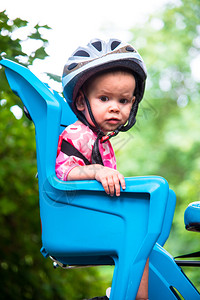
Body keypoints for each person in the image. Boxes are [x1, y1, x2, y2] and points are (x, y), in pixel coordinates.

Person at [56, 38, 148, 300]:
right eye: (104, 98)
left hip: (92, 217)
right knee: (140, 235)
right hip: (75, 218)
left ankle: (125, 292)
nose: (115, 107)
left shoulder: (101, 141)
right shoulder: (79, 134)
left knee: (146, 240)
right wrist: (96, 171)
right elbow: (64, 172)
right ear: (83, 103)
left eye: (123, 100)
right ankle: (129, 295)